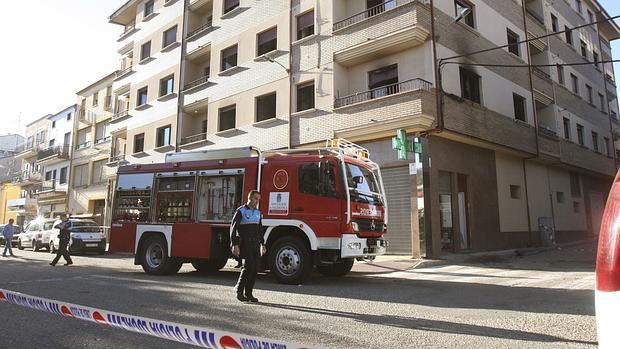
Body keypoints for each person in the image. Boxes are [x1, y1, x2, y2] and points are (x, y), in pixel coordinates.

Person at [230, 190, 266, 302]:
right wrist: (234, 244)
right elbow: (233, 228)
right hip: (245, 243)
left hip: (255, 243)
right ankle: (239, 291)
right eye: (255, 199)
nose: (257, 202)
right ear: (249, 198)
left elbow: (260, 230)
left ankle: (249, 293)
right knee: (248, 266)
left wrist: (263, 244)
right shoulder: (241, 211)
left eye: (258, 200)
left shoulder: (258, 213)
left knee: (255, 268)